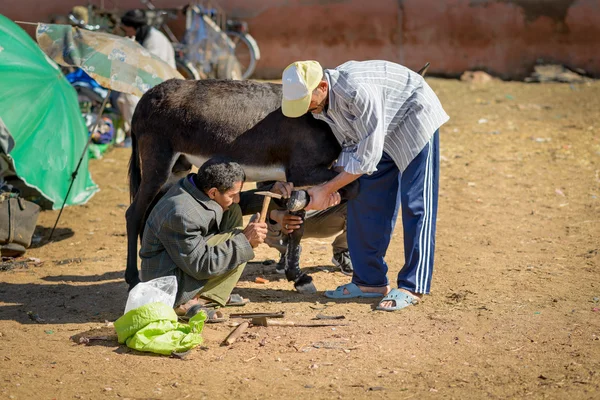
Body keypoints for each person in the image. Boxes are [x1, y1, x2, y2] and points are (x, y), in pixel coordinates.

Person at [280, 60, 449, 311]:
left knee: (417, 203)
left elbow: (367, 158)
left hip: (413, 119)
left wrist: (325, 190)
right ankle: (369, 282)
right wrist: (330, 187)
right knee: (364, 198)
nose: (308, 110)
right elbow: (351, 147)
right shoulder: (324, 104)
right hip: (379, 134)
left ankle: (413, 286)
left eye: (308, 103)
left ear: (322, 86)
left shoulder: (357, 91)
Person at [139, 158, 267, 320]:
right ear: (213, 192)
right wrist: (245, 241)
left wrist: (274, 193)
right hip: (166, 284)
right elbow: (201, 265)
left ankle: (207, 294)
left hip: (183, 260)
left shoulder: (195, 187)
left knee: (233, 210)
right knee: (239, 241)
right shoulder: (183, 214)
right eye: (233, 195)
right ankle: (182, 303)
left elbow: (236, 202)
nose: (237, 199)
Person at [238, 181, 353, 276]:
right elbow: (263, 198)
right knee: (259, 219)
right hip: (286, 221)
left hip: (324, 216)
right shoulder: (273, 158)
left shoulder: (331, 157)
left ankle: (342, 249)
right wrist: (278, 216)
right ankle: (287, 251)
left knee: (361, 205)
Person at [117, 9, 176, 147]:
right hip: (150, 80)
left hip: (163, 83)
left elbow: (149, 66)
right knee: (122, 97)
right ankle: (133, 133)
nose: (127, 33)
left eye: (127, 30)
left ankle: (138, 136)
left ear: (134, 27)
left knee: (129, 96)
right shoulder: (143, 36)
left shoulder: (155, 40)